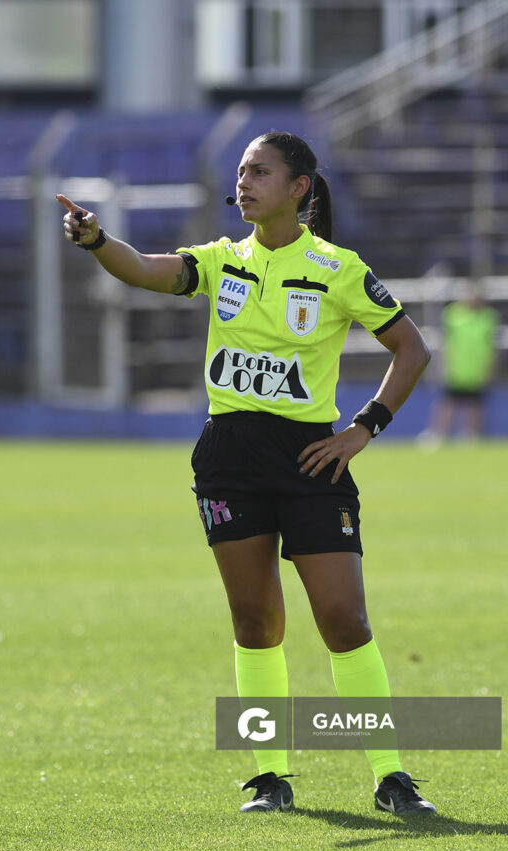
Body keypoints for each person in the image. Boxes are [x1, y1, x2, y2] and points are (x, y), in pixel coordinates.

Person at [57, 131, 435, 816]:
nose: (244, 182)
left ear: (299, 187)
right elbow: (143, 267)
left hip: (310, 458)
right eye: (239, 172)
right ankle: (270, 777)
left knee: (345, 619)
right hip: (229, 457)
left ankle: (392, 775)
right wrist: (94, 239)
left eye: (259, 171)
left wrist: (362, 428)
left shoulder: (338, 267)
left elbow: (410, 347)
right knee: (255, 620)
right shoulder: (220, 260)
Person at [423, 282, 499, 441]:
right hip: (456, 368)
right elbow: (445, 342)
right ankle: (438, 434)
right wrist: (442, 365)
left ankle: (471, 435)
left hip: (477, 369)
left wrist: (490, 369)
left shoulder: (488, 318)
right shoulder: (452, 315)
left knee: (475, 404)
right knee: (447, 403)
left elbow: (492, 346)